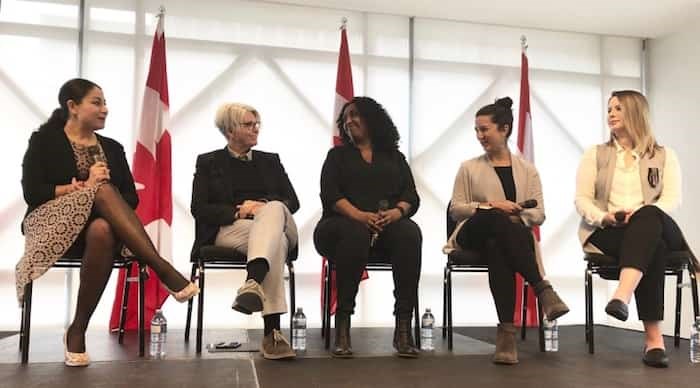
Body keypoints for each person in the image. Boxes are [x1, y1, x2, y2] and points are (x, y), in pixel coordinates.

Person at [17, 78, 199, 367]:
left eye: (105, 103)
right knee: (100, 188)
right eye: (97, 102)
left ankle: (78, 329)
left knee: (102, 226)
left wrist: (99, 195)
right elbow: (32, 191)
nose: (105, 109)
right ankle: (161, 267)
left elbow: (130, 197)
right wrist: (80, 188)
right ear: (73, 107)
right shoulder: (44, 140)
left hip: (99, 228)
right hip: (51, 222)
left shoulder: (112, 148)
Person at [575, 90, 699, 368]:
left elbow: (671, 200)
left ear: (635, 112)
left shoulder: (665, 156)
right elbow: (582, 199)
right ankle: (654, 341)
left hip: (654, 222)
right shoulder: (596, 154)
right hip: (610, 230)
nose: (611, 114)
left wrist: (642, 213)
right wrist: (606, 216)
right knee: (653, 245)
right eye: (609, 109)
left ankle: (622, 295)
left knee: (649, 218)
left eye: (618, 108)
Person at [444, 97, 569, 365]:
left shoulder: (528, 170)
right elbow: (457, 209)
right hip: (471, 234)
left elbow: (539, 214)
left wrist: (517, 214)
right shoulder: (468, 167)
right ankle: (542, 288)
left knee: (498, 244)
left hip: (504, 238)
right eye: (477, 130)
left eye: (485, 129)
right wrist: (491, 206)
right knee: (495, 221)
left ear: (505, 129)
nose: (480, 136)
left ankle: (506, 335)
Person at [313, 96, 422, 358]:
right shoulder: (337, 156)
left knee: (410, 232)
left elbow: (411, 196)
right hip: (338, 228)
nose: (349, 120)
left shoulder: (394, 157)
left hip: (386, 229)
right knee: (355, 232)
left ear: (373, 119)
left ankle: (403, 329)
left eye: (355, 115)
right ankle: (343, 326)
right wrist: (360, 216)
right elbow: (330, 195)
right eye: (346, 117)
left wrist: (397, 213)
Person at [190, 103, 299, 360]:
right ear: (230, 131)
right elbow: (199, 208)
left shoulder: (270, 161)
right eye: (248, 124)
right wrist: (239, 212)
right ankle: (272, 334)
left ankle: (253, 281)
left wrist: (261, 208)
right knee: (277, 244)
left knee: (273, 209)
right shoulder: (209, 162)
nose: (255, 129)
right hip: (232, 228)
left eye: (256, 124)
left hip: (277, 221)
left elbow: (293, 202)